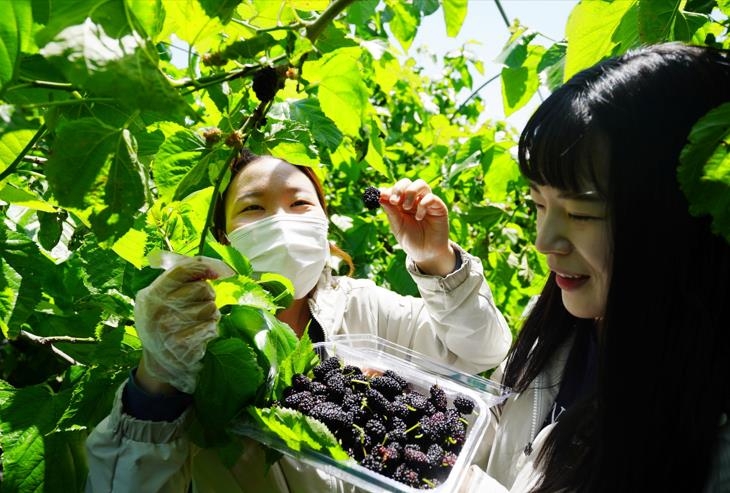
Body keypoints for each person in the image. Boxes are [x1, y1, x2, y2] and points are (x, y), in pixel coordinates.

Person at [84, 149, 512, 492]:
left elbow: (481, 353)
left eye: (299, 203)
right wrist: (158, 378)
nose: (283, 222)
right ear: (222, 237)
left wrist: (436, 260)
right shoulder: (199, 345)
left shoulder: (364, 310)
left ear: (324, 223)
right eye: (254, 208)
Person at [463, 42, 730, 492]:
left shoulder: (712, 451)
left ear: (679, 223)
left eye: (582, 214)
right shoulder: (560, 325)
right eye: (537, 204)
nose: (543, 241)